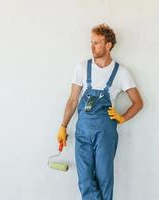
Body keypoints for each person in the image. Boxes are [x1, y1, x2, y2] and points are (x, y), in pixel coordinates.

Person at [57, 23, 143, 200]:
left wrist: (122, 118)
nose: (92, 46)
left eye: (96, 42)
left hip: (105, 133)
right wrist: (63, 126)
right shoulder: (82, 68)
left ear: (108, 45)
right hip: (83, 132)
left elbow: (138, 103)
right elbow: (73, 100)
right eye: (91, 42)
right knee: (85, 181)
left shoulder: (121, 73)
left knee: (104, 179)